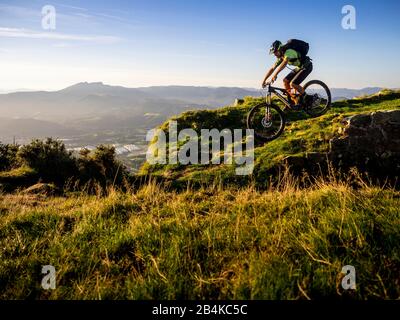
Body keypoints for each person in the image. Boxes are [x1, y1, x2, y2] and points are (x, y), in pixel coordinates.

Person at [261, 40, 313, 107]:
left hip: (306, 66)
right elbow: (272, 68)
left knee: (293, 84)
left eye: (275, 52)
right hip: (299, 67)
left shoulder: (289, 52)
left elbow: (284, 63)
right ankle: (294, 101)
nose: (275, 54)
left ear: (279, 49)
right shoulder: (281, 57)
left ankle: (309, 99)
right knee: (285, 81)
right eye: (274, 53)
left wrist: (275, 74)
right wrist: (264, 80)